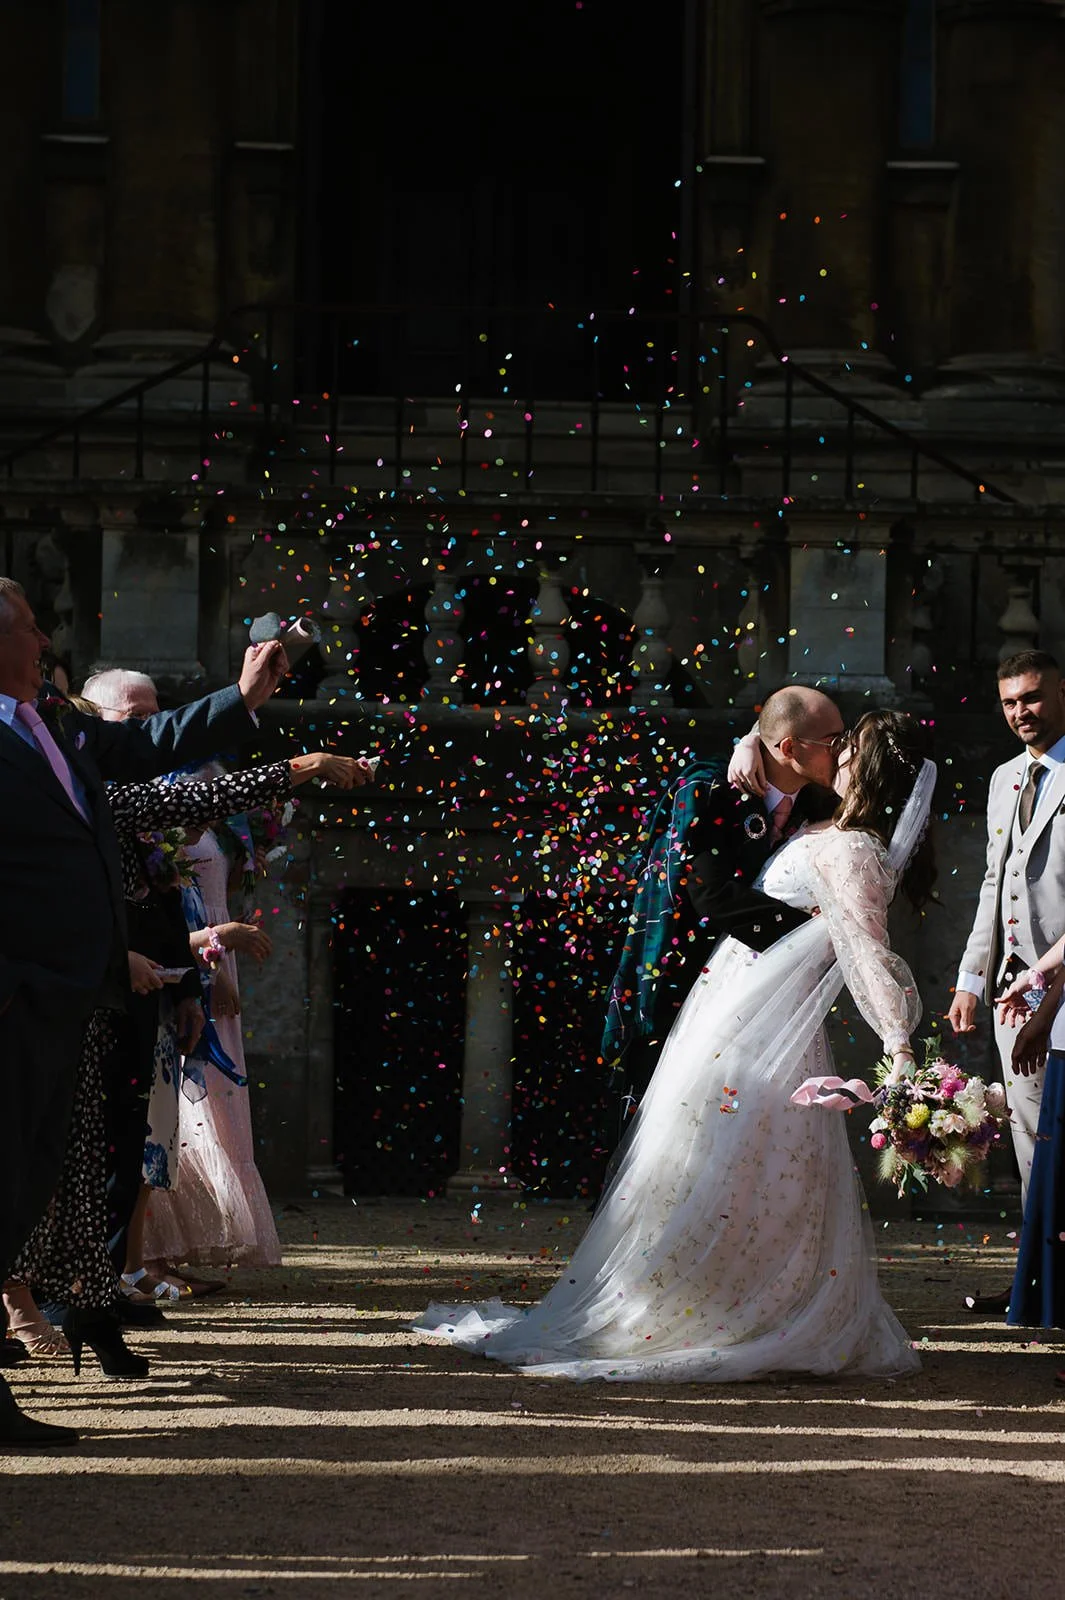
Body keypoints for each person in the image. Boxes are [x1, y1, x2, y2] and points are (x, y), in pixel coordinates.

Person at [416, 710, 936, 1382]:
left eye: (848, 744)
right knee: (701, 1160)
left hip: (761, 1025)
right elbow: (752, 771)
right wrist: (747, 740)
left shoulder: (852, 848)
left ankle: (743, 1307)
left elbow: (867, 953)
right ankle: (691, 1299)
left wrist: (897, 1046)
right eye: (830, 739)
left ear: (864, 768)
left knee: (756, 1170)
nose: (836, 750)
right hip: (725, 1011)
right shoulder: (814, 812)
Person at [0, 575, 287, 1444]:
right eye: (28, 626)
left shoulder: (47, 722)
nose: (45, 642)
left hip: (67, 997)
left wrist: (240, 699)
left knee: (25, 1181)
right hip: (17, 993)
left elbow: (146, 753)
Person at [601, 686, 844, 1110]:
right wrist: (812, 931)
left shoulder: (818, 797)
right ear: (789, 747)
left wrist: (750, 738)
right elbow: (710, 894)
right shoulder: (709, 789)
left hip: (760, 998)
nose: (842, 751)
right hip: (685, 980)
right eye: (832, 742)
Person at [947, 650, 1065, 1314]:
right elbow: (995, 884)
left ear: (1060, 691)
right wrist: (970, 977)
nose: (1020, 712)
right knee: (1028, 1141)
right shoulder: (1003, 779)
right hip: (1015, 990)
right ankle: (1039, 1282)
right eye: (1009, 702)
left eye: (1032, 697)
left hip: (1062, 985)